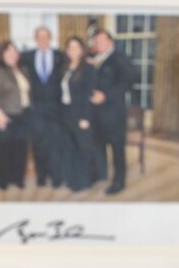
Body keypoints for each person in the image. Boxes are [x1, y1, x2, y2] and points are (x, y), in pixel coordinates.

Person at [85, 28, 135, 195]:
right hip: (95, 114)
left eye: (102, 40)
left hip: (113, 114)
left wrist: (106, 95)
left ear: (110, 42)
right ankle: (100, 174)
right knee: (97, 146)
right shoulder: (94, 59)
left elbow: (128, 82)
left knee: (117, 149)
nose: (98, 44)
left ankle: (119, 181)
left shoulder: (119, 58)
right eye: (96, 41)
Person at [19, 26, 66, 187]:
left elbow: (76, 63)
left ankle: (56, 177)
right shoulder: (26, 56)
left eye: (45, 37)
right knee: (39, 144)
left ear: (50, 38)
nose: (43, 40)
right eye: (39, 37)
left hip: (56, 108)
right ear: (35, 39)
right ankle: (41, 176)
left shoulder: (60, 55)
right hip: (36, 109)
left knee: (55, 143)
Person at [0, 41, 33, 190]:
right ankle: (2, 180)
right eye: (8, 51)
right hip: (6, 115)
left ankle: (18, 178)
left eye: (14, 51)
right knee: (4, 149)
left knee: (20, 148)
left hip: (23, 114)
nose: (12, 54)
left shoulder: (23, 69)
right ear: (2, 54)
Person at [56, 35, 102, 191]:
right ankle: (71, 178)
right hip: (66, 112)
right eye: (70, 47)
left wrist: (85, 117)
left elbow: (89, 94)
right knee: (69, 146)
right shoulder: (64, 67)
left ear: (82, 50)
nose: (72, 50)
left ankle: (83, 181)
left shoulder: (88, 68)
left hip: (81, 113)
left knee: (83, 147)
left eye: (76, 47)